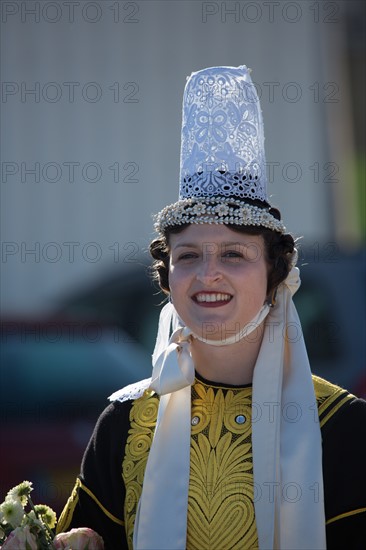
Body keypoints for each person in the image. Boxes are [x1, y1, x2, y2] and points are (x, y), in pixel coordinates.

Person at [57, 66, 366, 549]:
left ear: (275, 275)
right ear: (168, 279)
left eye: (233, 254)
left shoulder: (345, 428)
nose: (207, 275)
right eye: (188, 257)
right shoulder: (124, 423)